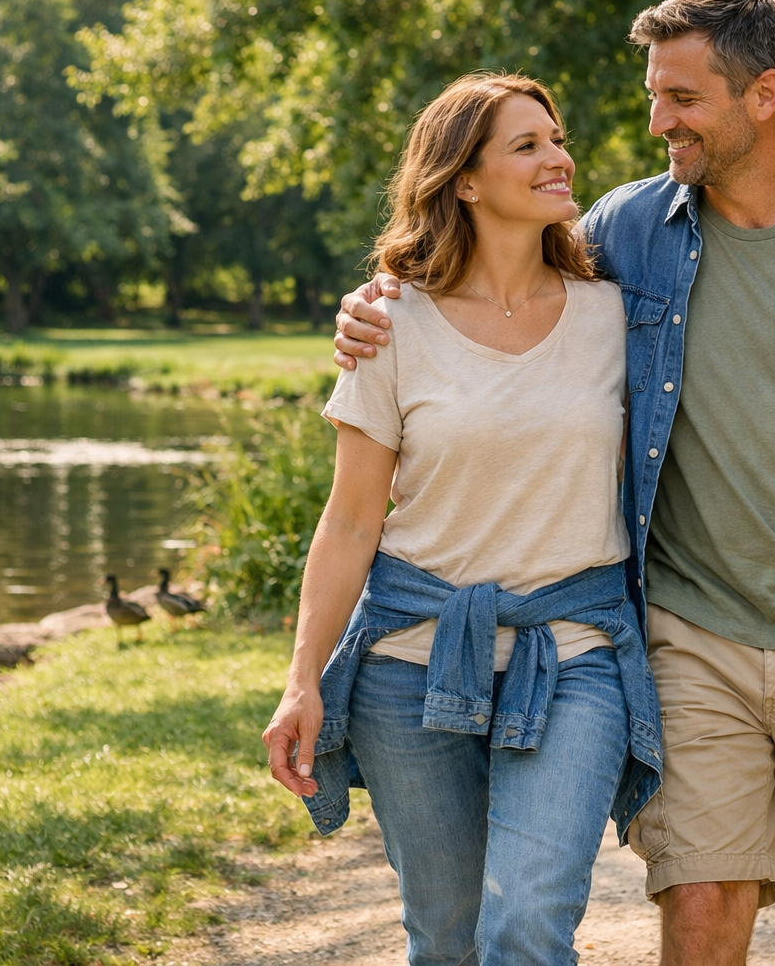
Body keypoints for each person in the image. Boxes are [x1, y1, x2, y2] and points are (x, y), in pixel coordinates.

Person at [335, 0, 775, 966]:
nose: (658, 123)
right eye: (655, 95)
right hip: (692, 639)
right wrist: (381, 298)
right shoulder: (627, 233)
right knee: (698, 903)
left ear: (764, 95)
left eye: (682, 98)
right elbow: (492, 275)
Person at [260, 72, 662, 966]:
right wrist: (302, 679)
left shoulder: (618, 316)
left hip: (575, 655)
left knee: (526, 922)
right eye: (528, 145)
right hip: (412, 662)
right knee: (445, 936)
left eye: (557, 140)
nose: (559, 158)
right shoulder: (391, 324)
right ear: (465, 181)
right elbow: (351, 520)